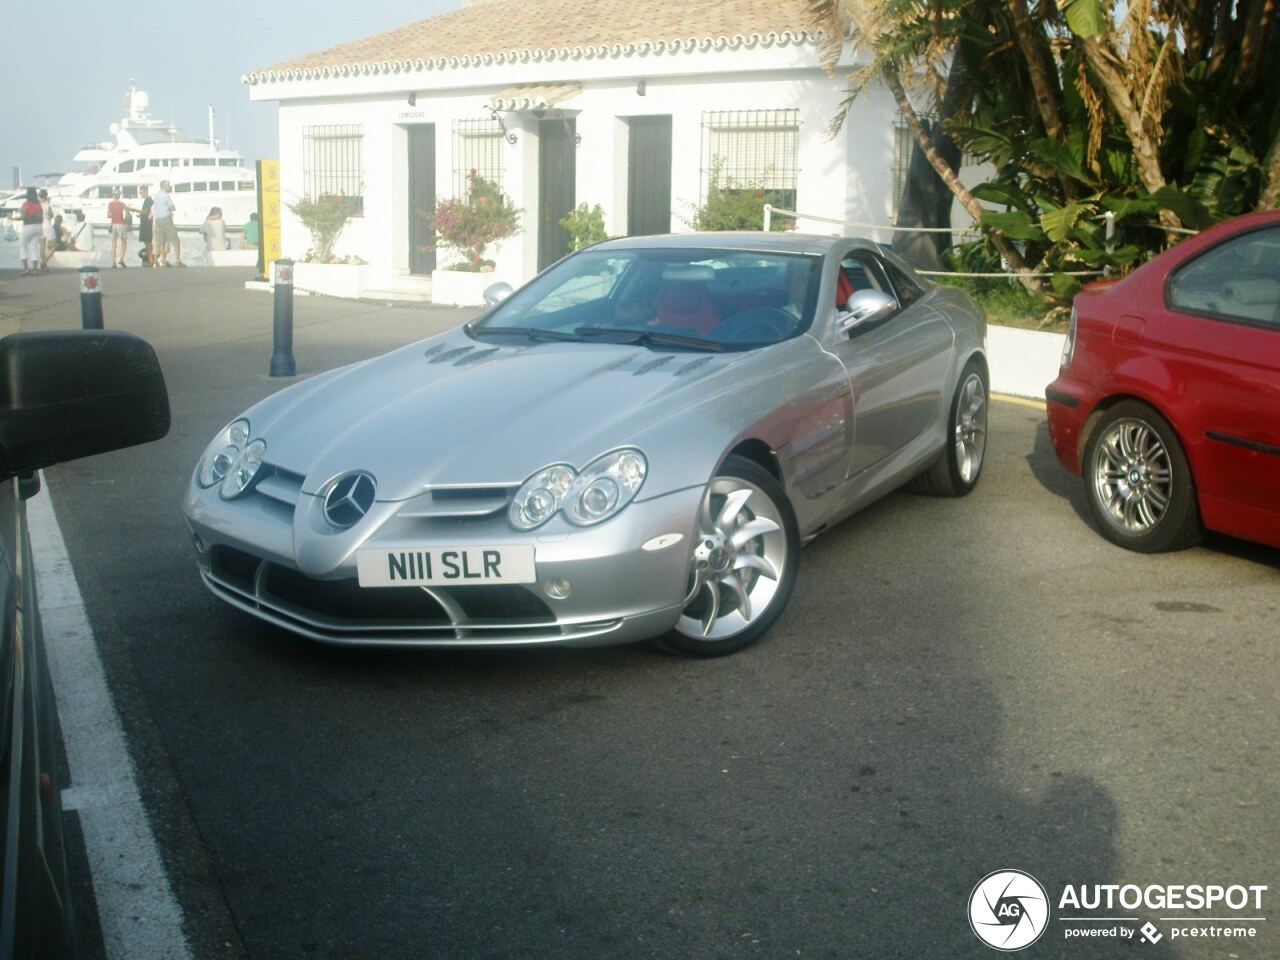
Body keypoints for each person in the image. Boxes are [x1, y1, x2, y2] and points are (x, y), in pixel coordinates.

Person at [150, 179, 183, 266]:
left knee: (161, 240)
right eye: (168, 185)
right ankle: (177, 259)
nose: (170, 187)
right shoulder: (166, 195)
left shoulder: (156, 195)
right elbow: (172, 207)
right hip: (166, 218)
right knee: (175, 239)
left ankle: (162, 259)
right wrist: (171, 209)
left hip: (158, 220)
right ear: (164, 186)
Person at [18, 187, 43, 275]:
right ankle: (35, 270)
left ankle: (25, 268)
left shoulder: (25, 204)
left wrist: (14, 218)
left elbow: (23, 216)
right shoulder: (39, 204)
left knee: (23, 246)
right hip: (39, 227)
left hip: (28, 227)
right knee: (34, 248)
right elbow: (41, 217)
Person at [107, 188, 129, 267]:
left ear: (113, 196)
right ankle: (121, 259)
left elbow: (108, 215)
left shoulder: (110, 204)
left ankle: (113, 262)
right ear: (119, 195)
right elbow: (127, 214)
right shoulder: (122, 204)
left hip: (113, 224)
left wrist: (113, 215)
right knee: (123, 241)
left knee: (114, 243)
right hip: (121, 223)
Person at [135, 184, 154, 265]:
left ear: (146, 191)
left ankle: (150, 259)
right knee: (147, 242)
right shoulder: (149, 200)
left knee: (148, 242)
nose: (140, 194)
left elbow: (145, 211)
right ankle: (151, 258)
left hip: (147, 224)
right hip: (146, 222)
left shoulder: (148, 200)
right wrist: (141, 215)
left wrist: (135, 210)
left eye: (141, 192)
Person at [38, 189, 56, 272]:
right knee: (53, 247)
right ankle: (43, 262)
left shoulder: (36, 205)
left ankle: (45, 267)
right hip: (47, 225)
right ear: (45, 196)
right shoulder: (46, 205)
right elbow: (51, 216)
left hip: (39, 226)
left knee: (42, 247)